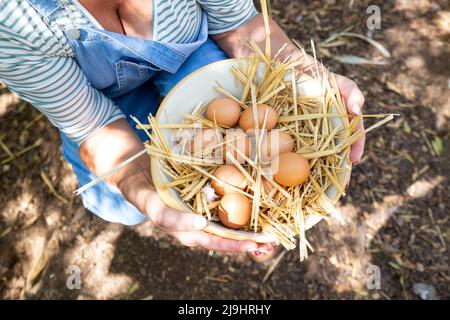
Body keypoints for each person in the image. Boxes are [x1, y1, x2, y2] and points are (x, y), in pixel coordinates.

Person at [0, 0, 365, 258]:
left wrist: (306, 73)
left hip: (187, 50)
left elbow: (243, 27)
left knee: (223, 110)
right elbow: (93, 126)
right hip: (100, 95)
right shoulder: (11, 22)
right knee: (121, 204)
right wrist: (141, 190)